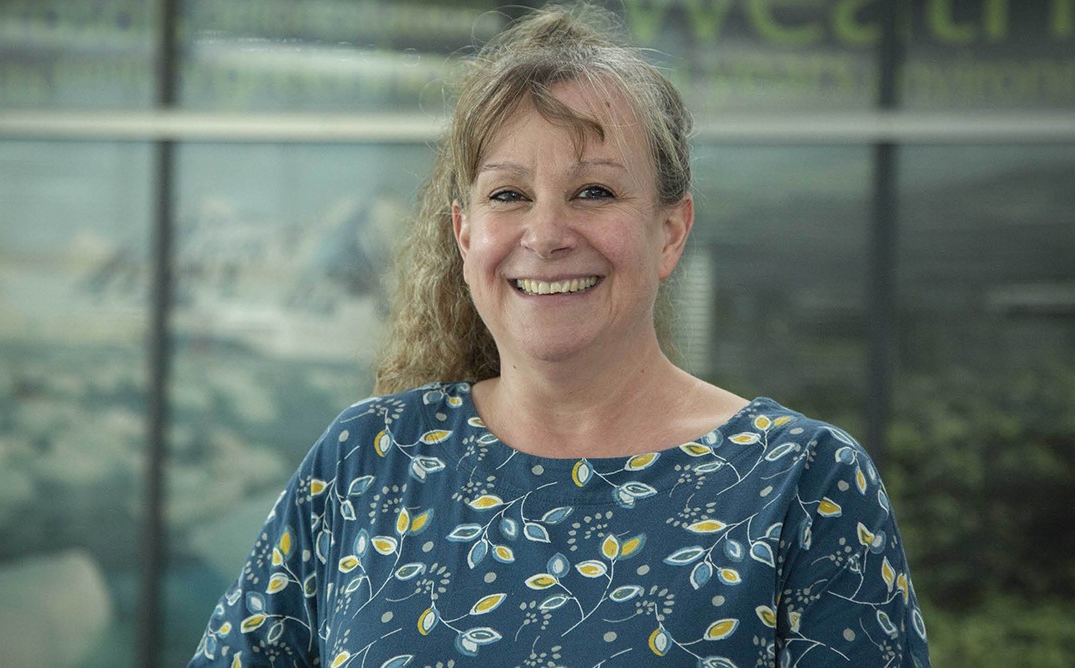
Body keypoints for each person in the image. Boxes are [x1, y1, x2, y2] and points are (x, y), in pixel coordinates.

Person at [188, 5, 930, 667]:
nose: (544, 236)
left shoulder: (802, 484)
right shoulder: (367, 462)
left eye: (594, 192)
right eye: (508, 195)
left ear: (670, 232)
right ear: (464, 231)